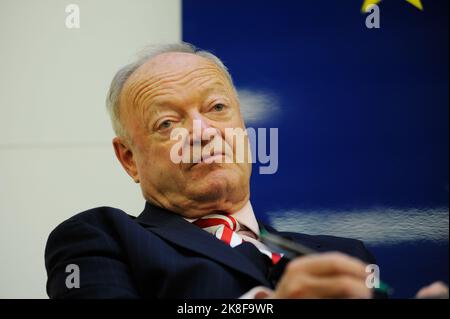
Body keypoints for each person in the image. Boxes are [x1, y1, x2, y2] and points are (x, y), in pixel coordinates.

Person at [45, 42, 448, 299]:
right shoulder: (100, 240)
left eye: (217, 108)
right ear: (129, 159)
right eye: (167, 123)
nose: (202, 133)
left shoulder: (344, 254)